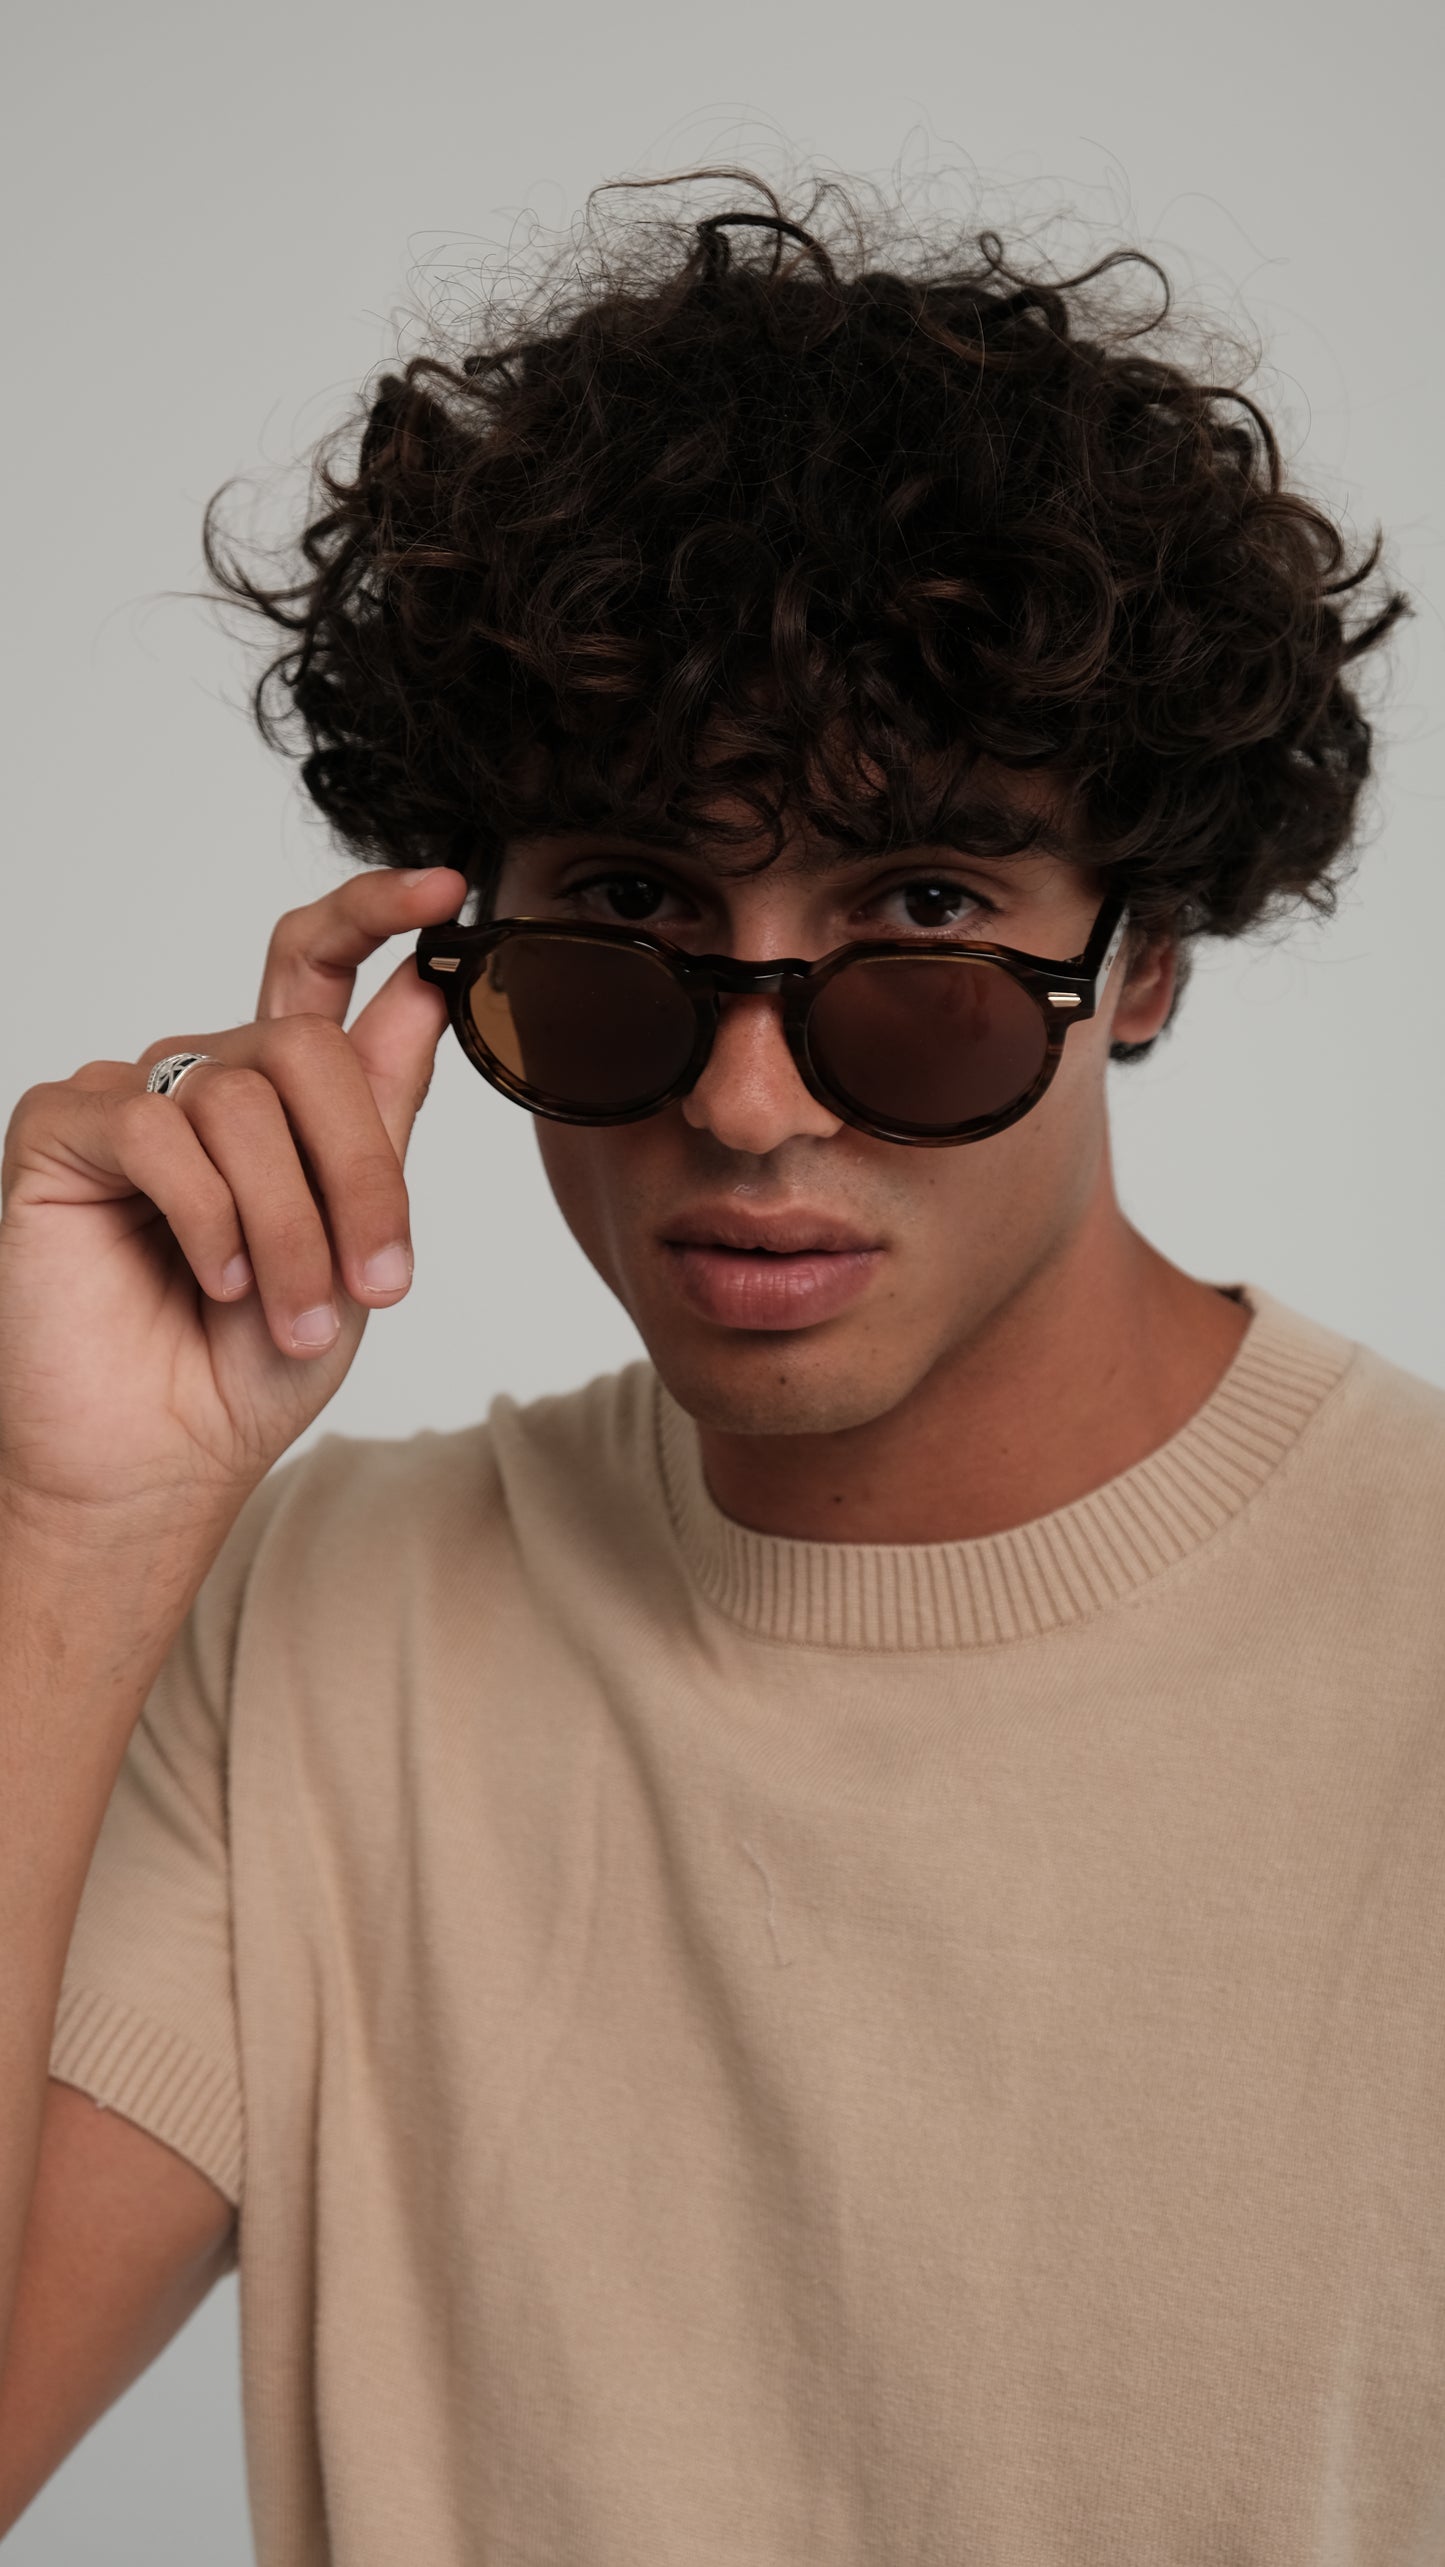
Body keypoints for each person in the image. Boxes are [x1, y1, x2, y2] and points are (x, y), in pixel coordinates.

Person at [0, 173, 1440, 2562]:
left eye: (923, 919)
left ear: (1149, 955)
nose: (750, 1106)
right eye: (635, 918)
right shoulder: (308, 1636)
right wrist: (81, 1528)